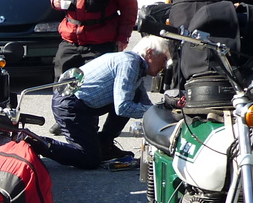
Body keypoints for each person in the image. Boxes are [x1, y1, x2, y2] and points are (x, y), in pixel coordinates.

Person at [33, 36, 172, 170]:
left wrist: (165, 112)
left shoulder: (135, 63)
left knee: (133, 96)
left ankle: (105, 145)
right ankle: (35, 142)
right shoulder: (130, 63)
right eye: (164, 59)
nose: (165, 66)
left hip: (81, 104)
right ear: (149, 53)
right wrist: (156, 112)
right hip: (70, 105)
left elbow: (142, 101)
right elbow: (123, 108)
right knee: (89, 159)